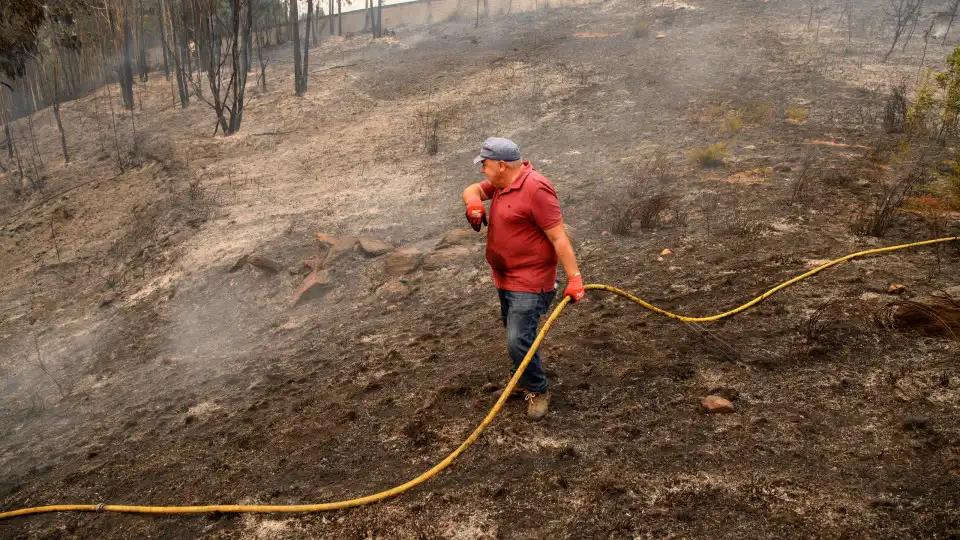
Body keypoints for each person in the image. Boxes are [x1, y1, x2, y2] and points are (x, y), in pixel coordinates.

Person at [461, 137, 586, 421]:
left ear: (502, 165)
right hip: (504, 277)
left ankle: (537, 390)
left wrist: (574, 278)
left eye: (485, 164)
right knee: (517, 336)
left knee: (518, 340)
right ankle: (521, 378)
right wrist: (474, 206)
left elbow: (559, 238)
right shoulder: (503, 183)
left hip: (530, 280)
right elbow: (470, 190)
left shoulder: (536, 189)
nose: (482, 170)